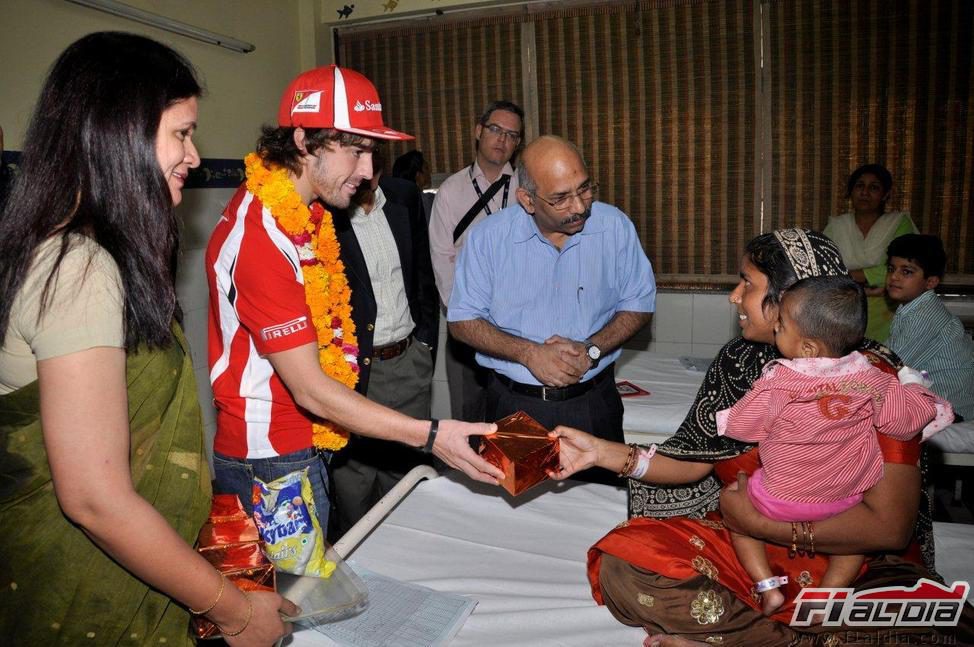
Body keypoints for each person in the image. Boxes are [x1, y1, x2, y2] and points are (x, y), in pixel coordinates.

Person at [0, 32, 296, 645]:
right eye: (181, 133)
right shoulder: (78, 268)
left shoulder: (93, 252)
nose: (193, 155)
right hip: (86, 599)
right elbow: (95, 500)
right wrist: (234, 612)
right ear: (120, 135)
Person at [548, 229, 973, 644]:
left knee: (935, 629)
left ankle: (751, 637)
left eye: (747, 283)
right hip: (751, 558)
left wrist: (757, 522)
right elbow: (695, 459)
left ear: (789, 298)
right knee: (623, 564)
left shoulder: (873, 376)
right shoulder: (739, 363)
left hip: (855, 564)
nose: (734, 296)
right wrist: (601, 453)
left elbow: (889, 530)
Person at [206, 64, 502, 536]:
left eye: (373, 152)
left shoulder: (307, 218)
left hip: (305, 445)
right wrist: (433, 436)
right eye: (355, 150)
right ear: (304, 141)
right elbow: (310, 389)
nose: (367, 171)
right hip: (272, 461)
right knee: (291, 600)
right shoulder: (263, 236)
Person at [717, 275, 951, 615]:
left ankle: (767, 586)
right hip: (843, 504)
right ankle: (827, 594)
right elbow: (904, 422)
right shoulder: (874, 378)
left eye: (781, 326)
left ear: (808, 348)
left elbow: (742, 426)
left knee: (737, 516)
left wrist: (732, 414)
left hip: (776, 502)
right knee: (855, 545)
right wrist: (913, 385)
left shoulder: (779, 380)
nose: (775, 331)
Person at [449, 135, 655, 483]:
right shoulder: (489, 239)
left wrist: (592, 349)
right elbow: (462, 321)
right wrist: (528, 353)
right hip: (517, 407)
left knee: (598, 515)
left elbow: (640, 303)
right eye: (560, 198)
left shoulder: (614, 227)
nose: (579, 206)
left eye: (585, 189)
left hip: (593, 404)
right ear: (527, 200)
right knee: (518, 516)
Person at [328, 145, 440, 535]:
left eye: (369, 169)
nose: (362, 178)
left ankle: (409, 562)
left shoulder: (405, 198)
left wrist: (425, 344)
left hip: (409, 362)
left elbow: (422, 275)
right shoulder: (327, 215)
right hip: (357, 374)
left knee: (407, 480)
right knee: (354, 486)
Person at [429, 100, 524, 422]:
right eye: (495, 130)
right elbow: (442, 256)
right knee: (468, 419)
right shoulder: (451, 191)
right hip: (467, 324)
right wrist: (467, 317)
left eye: (512, 135)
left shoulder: (527, 189)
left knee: (513, 419)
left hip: (518, 327)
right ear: (478, 131)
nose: (502, 140)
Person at [824, 163, 917, 342]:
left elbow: (906, 268)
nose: (865, 192)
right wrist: (867, 286)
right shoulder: (837, 226)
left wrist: (850, 276)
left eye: (874, 187)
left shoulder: (898, 224)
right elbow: (824, 269)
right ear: (851, 192)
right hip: (844, 311)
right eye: (860, 186)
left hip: (888, 310)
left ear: (885, 194)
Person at [886, 234, 974, 421]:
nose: (894, 277)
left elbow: (890, 364)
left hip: (952, 408)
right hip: (936, 398)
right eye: (891, 269)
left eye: (906, 272)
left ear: (931, 282)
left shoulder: (924, 316)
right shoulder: (911, 308)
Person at [392, 149, 434, 223]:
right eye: (426, 168)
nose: (430, 172)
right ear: (418, 175)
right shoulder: (429, 201)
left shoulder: (393, 205)